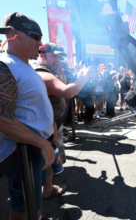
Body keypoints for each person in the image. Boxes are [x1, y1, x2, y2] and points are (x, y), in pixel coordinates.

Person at [0, 12, 56, 220]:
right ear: (13, 34)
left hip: (34, 147)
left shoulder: (23, 65)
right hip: (21, 152)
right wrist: (42, 143)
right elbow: (2, 120)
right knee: (23, 211)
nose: (40, 43)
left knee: (33, 206)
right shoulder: (5, 65)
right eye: (35, 36)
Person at [31, 42, 95, 198]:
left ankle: (48, 186)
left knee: (53, 153)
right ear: (42, 56)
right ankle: (46, 190)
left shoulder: (55, 68)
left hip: (54, 122)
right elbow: (67, 92)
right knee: (47, 156)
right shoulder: (41, 70)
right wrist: (85, 76)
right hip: (45, 125)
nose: (57, 59)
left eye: (59, 56)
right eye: (53, 56)